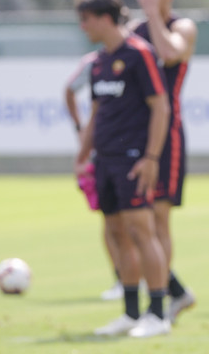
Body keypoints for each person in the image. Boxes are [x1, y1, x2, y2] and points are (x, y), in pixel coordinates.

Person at [73, 0, 172, 338]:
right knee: (117, 234)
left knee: (141, 231)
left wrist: (151, 157)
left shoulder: (139, 53)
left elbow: (161, 106)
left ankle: (158, 314)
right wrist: (83, 156)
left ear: (104, 18)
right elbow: (96, 113)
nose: (83, 26)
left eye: (86, 19)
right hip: (105, 160)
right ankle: (131, 313)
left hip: (133, 159)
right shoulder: (99, 61)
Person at [131, 0, 198, 323]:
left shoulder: (180, 26)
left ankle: (160, 299)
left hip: (166, 134)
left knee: (158, 219)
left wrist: (153, 15)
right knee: (134, 222)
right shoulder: (134, 29)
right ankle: (173, 291)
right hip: (133, 134)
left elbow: (171, 53)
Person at [64, 51, 125, 301]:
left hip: (134, 150)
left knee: (137, 221)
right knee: (110, 220)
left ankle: (151, 281)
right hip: (103, 151)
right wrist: (81, 130)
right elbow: (70, 90)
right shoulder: (95, 62)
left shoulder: (140, 57)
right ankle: (122, 279)